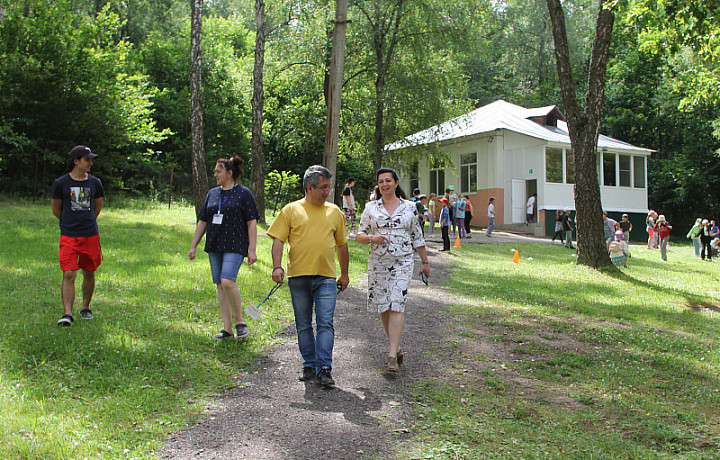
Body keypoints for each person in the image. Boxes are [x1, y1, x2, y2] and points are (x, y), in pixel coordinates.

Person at [267, 165, 349, 387]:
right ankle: (309, 364)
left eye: (328, 187)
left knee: (325, 323)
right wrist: (277, 266)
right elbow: (278, 240)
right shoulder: (291, 210)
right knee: (303, 324)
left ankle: (324, 368)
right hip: (298, 277)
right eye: (323, 187)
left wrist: (344, 274)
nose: (327, 192)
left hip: (326, 278)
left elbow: (342, 245)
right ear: (309, 187)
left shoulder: (335, 212)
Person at [356, 168, 430, 372]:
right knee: (384, 306)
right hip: (378, 263)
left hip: (403, 262)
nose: (385, 185)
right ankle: (396, 347)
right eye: (381, 182)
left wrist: (425, 262)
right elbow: (359, 235)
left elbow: (417, 236)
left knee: (397, 303)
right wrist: (373, 237)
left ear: (396, 183)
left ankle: (391, 355)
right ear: (378, 185)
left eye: (388, 181)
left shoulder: (410, 207)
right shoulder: (371, 207)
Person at [189, 156, 259, 340]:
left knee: (228, 281)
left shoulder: (244, 193)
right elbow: (203, 220)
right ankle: (227, 329)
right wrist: (194, 245)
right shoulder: (212, 193)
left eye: (218, 171)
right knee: (220, 285)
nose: (215, 175)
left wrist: (252, 249)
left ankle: (240, 323)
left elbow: (252, 222)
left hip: (236, 244)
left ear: (229, 173)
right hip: (215, 243)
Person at [51, 145, 104, 326]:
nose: (90, 162)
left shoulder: (95, 183)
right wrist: (70, 223)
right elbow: (56, 209)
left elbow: (97, 208)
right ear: (76, 161)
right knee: (69, 274)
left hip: (90, 235)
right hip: (69, 235)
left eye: (91, 159)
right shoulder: (61, 183)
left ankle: (85, 307)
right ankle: (67, 314)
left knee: (89, 272)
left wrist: (85, 222)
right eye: (87, 159)